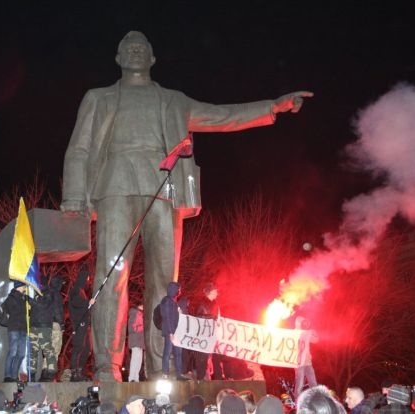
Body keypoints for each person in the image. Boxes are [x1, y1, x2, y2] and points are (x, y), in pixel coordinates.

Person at [60, 30, 313, 381]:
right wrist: (74, 196)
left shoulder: (172, 101)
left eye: (141, 48)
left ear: (152, 58)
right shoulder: (98, 98)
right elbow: (79, 148)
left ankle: (162, 365)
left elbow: (222, 116)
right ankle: (107, 364)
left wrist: (272, 106)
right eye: (128, 49)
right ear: (118, 58)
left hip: (165, 190)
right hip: (114, 187)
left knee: (165, 283)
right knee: (111, 275)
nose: (135, 52)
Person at [29, 275, 65, 382]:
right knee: (54, 349)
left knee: (40, 349)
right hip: (53, 324)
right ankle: (47, 373)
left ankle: (39, 373)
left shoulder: (41, 293)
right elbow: (57, 310)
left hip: (43, 324)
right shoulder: (55, 294)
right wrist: (61, 323)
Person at [159, 281, 189, 380]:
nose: (179, 291)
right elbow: (167, 317)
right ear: (174, 289)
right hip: (170, 332)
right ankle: (165, 373)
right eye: (178, 289)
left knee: (178, 353)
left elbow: (174, 317)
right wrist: (171, 332)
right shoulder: (166, 301)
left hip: (176, 332)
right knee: (167, 352)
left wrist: (179, 312)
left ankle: (179, 374)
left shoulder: (173, 301)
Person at [193, 282, 222, 380]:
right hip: (203, 335)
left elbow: (217, 318)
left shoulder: (215, 304)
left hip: (212, 334)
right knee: (202, 357)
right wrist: (211, 317)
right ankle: (200, 379)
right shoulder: (201, 303)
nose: (217, 293)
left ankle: (212, 378)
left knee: (212, 357)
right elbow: (197, 317)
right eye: (216, 291)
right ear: (211, 292)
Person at [1, 281, 30, 382]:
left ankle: (14, 376)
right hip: (14, 329)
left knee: (21, 354)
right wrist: (23, 301)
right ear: (19, 287)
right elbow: (12, 311)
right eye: (24, 286)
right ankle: (8, 376)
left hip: (23, 329)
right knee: (12, 352)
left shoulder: (24, 299)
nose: (25, 288)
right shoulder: (11, 298)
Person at [69, 270, 93, 382]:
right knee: (79, 347)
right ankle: (74, 373)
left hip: (85, 324)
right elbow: (75, 302)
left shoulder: (82, 291)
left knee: (87, 348)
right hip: (79, 324)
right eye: (87, 278)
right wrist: (88, 303)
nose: (88, 281)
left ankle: (79, 371)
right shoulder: (76, 290)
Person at [293, 316, 319, 398]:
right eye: (302, 322)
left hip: (308, 362)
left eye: (304, 322)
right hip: (299, 362)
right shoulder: (293, 333)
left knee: (313, 383)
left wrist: (313, 331)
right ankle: (297, 402)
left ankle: (315, 401)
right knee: (300, 385)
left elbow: (316, 340)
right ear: (298, 323)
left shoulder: (307, 333)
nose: (304, 324)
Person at [127, 302, 145, 382]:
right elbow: (132, 327)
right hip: (135, 339)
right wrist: (143, 326)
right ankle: (131, 378)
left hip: (140, 340)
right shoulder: (134, 312)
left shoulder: (141, 314)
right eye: (143, 305)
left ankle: (136, 377)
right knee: (135, 359)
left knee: (139, 360)